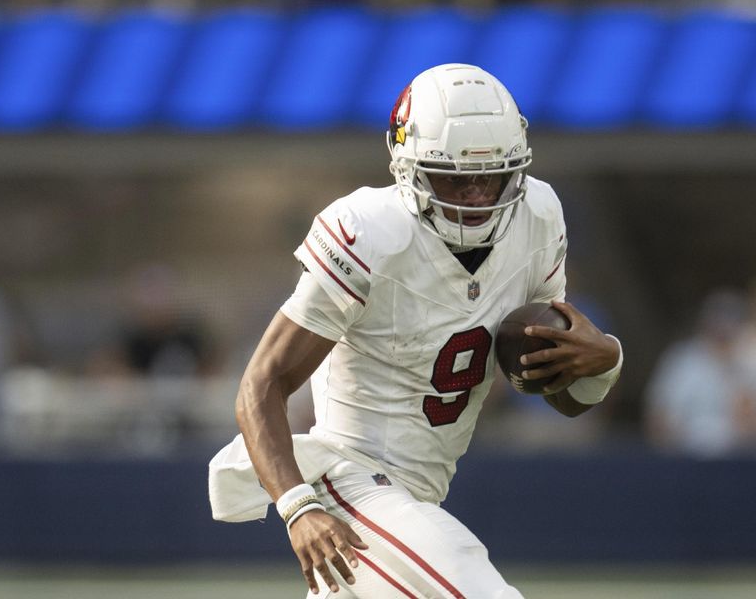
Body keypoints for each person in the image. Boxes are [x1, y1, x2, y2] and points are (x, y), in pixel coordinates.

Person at [209, 64, 623, 598]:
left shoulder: (538, 217)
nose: (476, 196)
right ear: (409, 167)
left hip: (420, 494)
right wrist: (297, 507)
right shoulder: (369, 231)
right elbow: (261, 383)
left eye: (491, 176)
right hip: (350, 477)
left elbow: (561, 394)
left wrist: (604, 362)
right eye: (455, 177)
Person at [645, 288, 756, 457]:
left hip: (737, 461)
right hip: (685, 458)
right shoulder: (681, 360)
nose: (722, 331)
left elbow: (749, 421)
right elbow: (658, 416)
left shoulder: (750, 359)